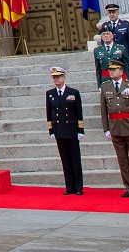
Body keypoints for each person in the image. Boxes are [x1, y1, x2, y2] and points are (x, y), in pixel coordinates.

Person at [99, 58, 129, 198]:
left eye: (114, 70)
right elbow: (104, 109)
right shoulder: (106, 87)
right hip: (115, 127)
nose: (111, 72)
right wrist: (106, 128)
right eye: (110, 70)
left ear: (121, 71)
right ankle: (128, 187)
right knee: (122, 160)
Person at [45, 65, 84, 195]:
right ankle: (69, 186)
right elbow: (49, 113)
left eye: (58, 77)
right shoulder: (50, 94)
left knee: (75, 159)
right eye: (54, 77)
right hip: (59, 129)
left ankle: (78, 187)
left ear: (64, 77)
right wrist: (51, 130)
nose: (56, 80)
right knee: (65, 160)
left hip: (71, 129)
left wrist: (80, 129)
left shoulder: (73, 93)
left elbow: (79, 112)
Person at [99, 4, 129, 78]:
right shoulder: (105, 25)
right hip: (111, 57)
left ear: (118, 13)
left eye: (113, 12)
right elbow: (103, 42)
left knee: (127, 77)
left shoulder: (125, 24)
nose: (112, 14)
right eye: (110, 13)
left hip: (124, 57)